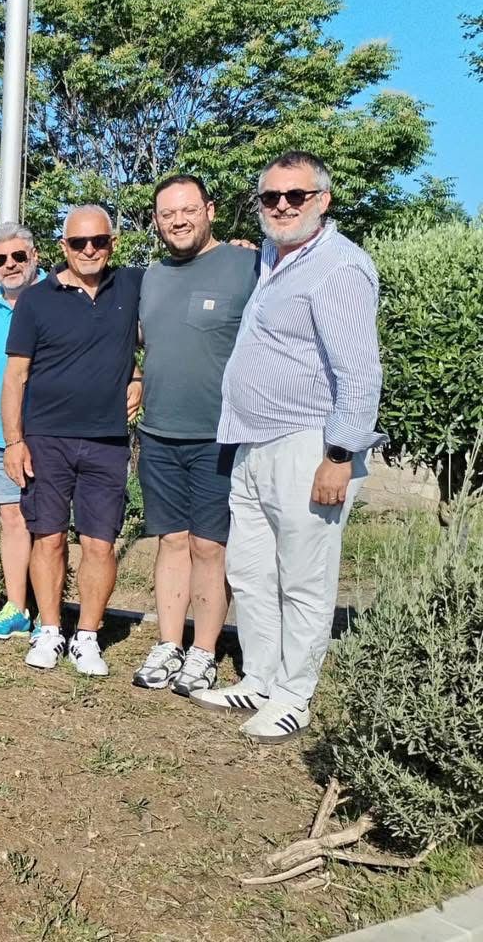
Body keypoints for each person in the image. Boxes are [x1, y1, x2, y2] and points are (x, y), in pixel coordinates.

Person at [192, 151, 382, 742]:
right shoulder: (274, 258)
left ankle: (295, 695)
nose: (280, 206)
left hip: (308, 444)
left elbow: (358, 371)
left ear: (321, 201)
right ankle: (263, 677)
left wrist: (339, 454)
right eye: (269, 197)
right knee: (251, 571)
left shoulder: (339, 268)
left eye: (293, 196)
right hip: (252, 442)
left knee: (304, 577)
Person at [2, 206, 143, 676]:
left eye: (98, 241)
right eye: (79, 243)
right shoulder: (36, 300)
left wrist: (139, 375)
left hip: (106, 441)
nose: (89, 250)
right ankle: (48, 630)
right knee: (49, 538)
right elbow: (15, 377)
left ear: (112, 243)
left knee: (100, 543)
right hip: (46, 439)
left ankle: (86, 636)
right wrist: (14, 441)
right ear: (63, 247)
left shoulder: (132, 287)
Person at [131, 176, 258, 696]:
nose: (178, 220)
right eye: (167, 214)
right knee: (171, 541)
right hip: (158, 433)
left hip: (219, 436)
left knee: (210, 545)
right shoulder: (150, 278)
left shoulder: (247, 264)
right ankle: (168, 642)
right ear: (156, 221)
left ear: (209, 209)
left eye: (188, 210)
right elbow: (140, 343)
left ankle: (203, 651)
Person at [0, 223, 45, 642]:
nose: (10, 265)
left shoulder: (57, 297)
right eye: (1, 259)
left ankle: (49, 615)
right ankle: (17, 608)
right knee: (12, 518)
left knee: (48, 523)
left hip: (46, 434)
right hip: (0, 436)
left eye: (18, 256)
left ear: (35, 256)